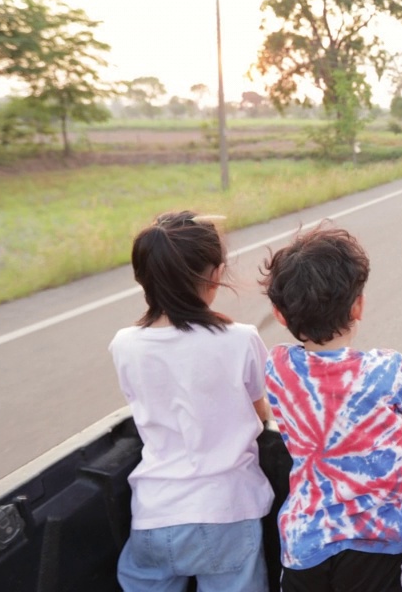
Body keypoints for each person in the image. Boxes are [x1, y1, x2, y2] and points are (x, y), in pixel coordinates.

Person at [110, 211, 275, 592]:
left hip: (154, 513)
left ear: (142, 279)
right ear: (215, 275)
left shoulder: (125, 345)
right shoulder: (240, 339)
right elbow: (259, 412)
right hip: (227, 511)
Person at [259, 225, 402, 592]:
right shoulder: (386, 369)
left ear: (280, 314)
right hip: (375, 537)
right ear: (358, 306)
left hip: (306, 537)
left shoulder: (278, 366)